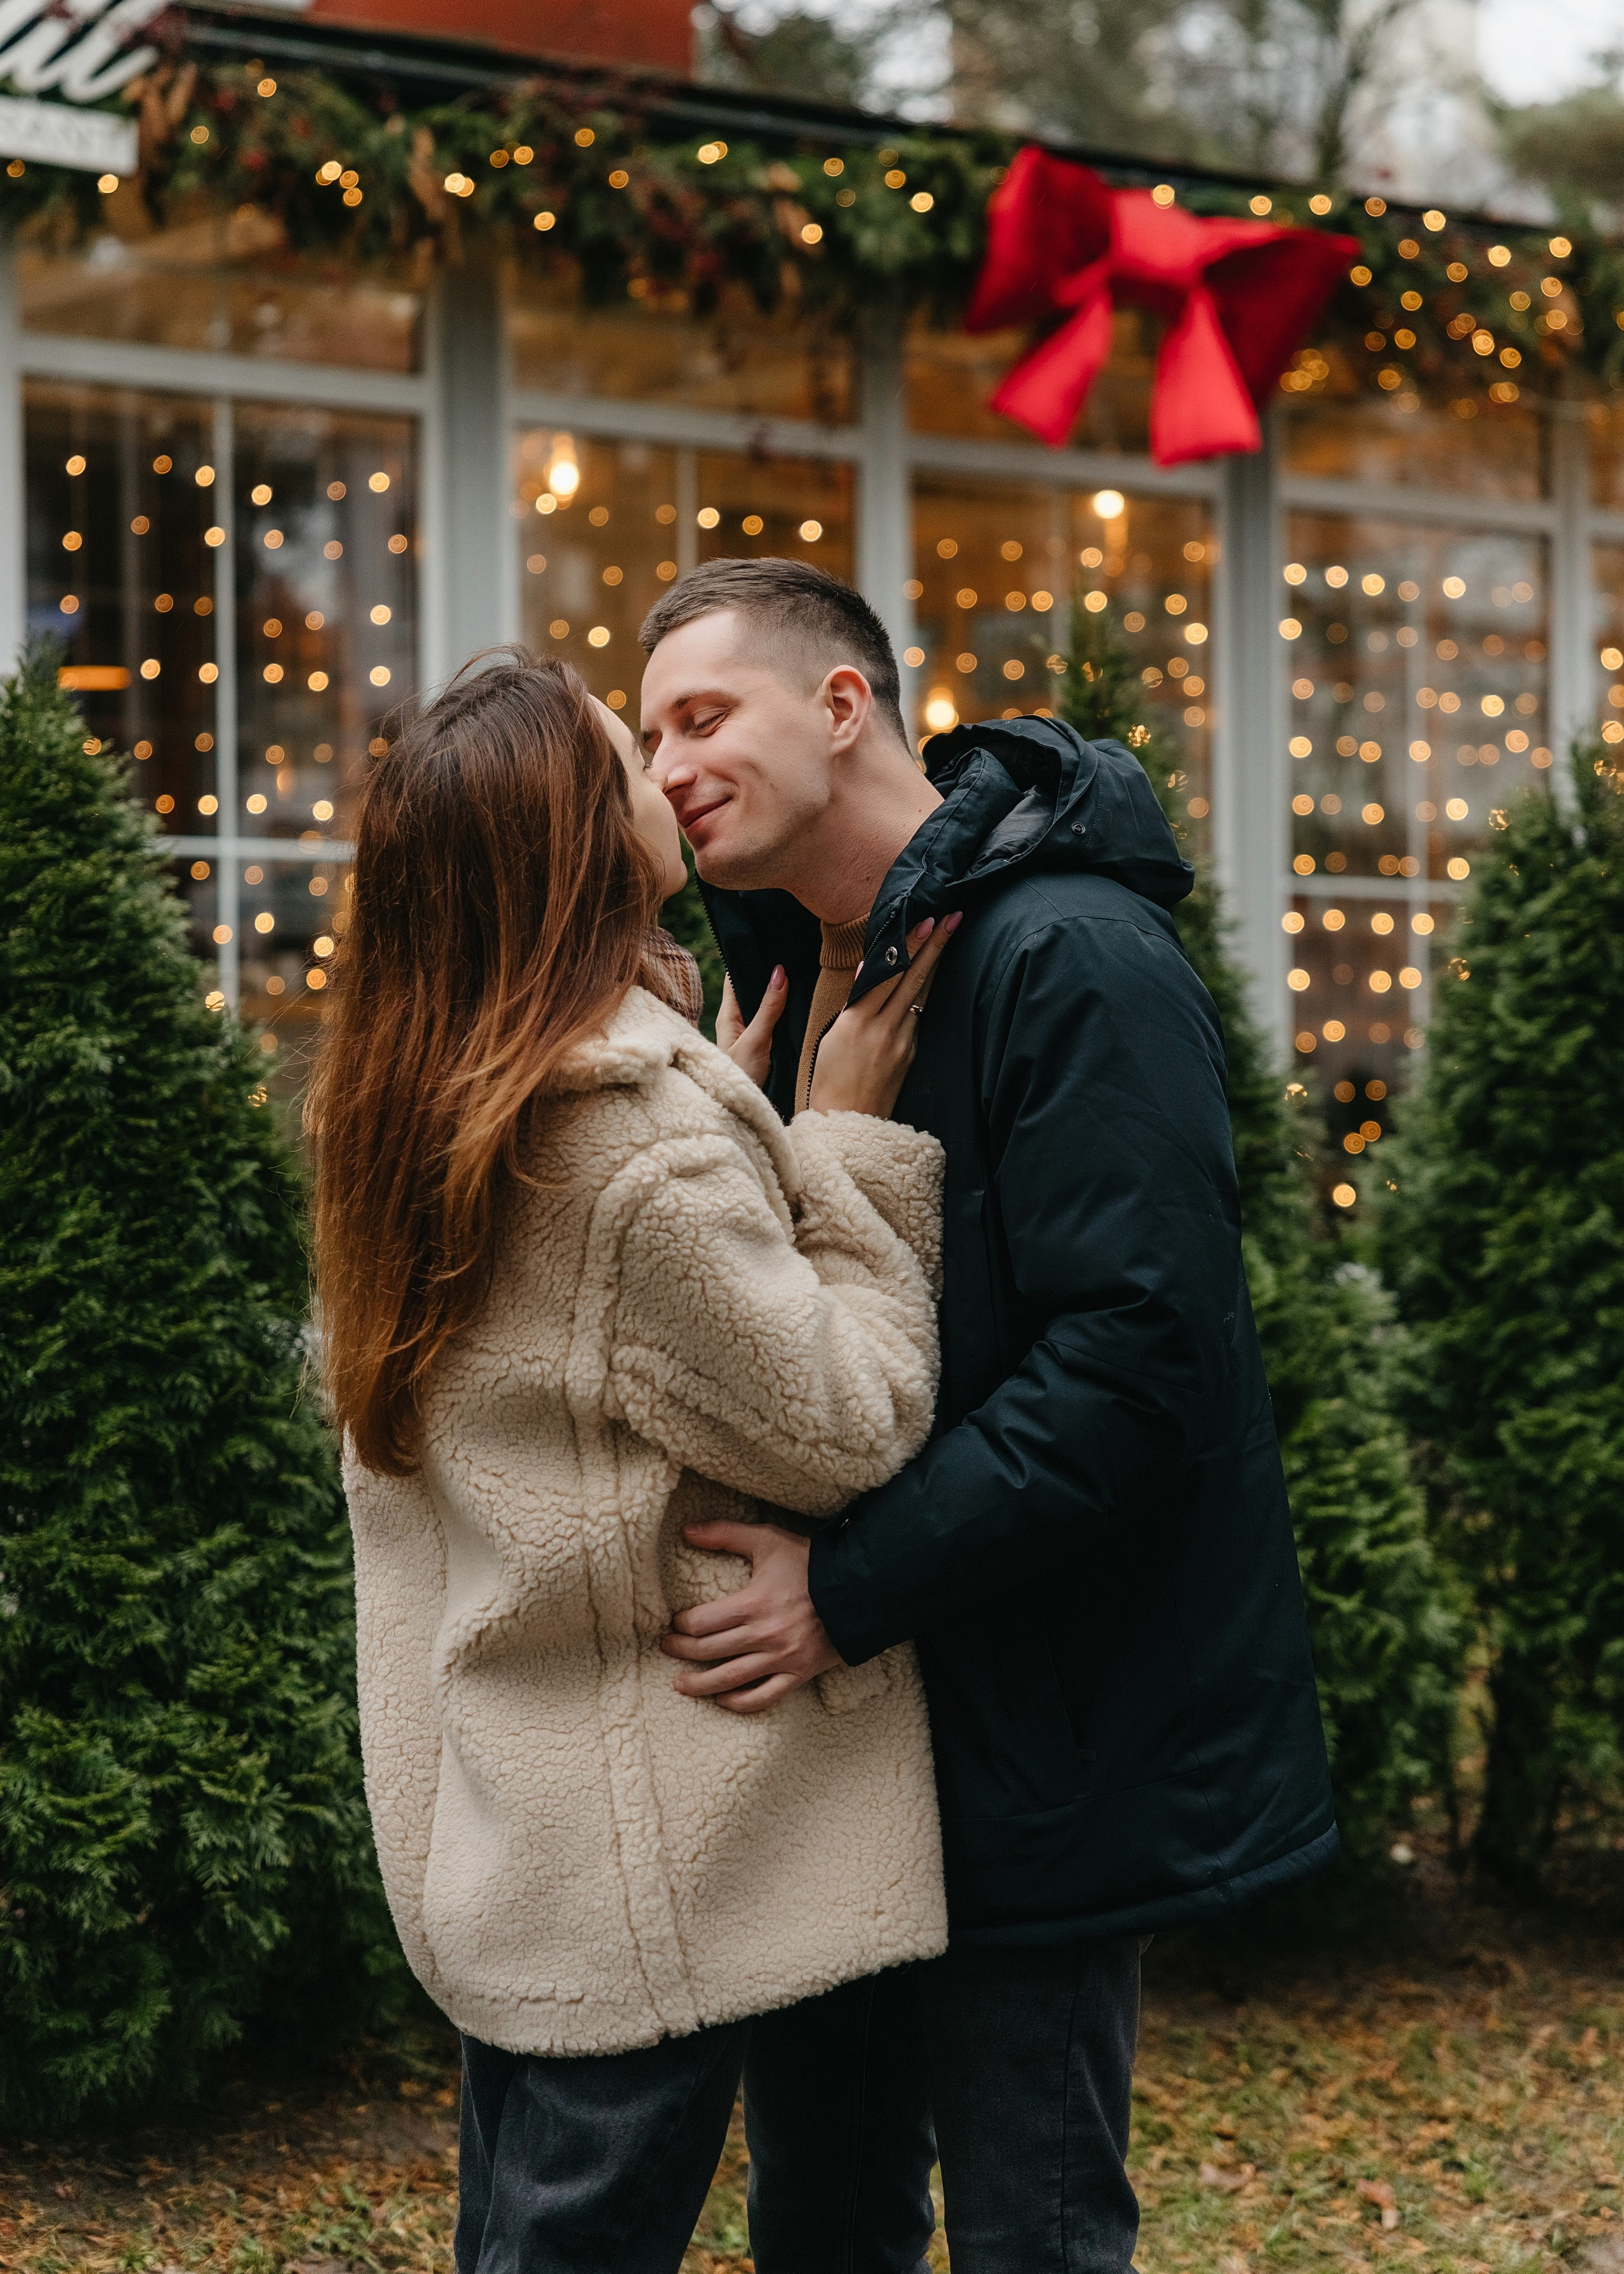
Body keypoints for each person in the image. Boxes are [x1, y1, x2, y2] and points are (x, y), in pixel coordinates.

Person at [639, 558, 1340, 2272]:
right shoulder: (785, 980)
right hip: (845, 1746)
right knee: (826, 2215)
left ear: (843, 704)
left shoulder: (1076, 956)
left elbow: (1138, 1366)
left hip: (1039, 1734)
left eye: (702, 716)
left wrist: (846, 1586)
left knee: (1029, 2223)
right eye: (648, 736)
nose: (664, 769)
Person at [307, 650, 964, 2273]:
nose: (663, 778)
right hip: (669, 1839)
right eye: (625, 760)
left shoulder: (423, 1097)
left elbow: (585, 1364)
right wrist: (840, 1145)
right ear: (572, 849)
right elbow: (847, 1418)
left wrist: (725, 1124)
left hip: (528, 1812)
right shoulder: (627, 1143)